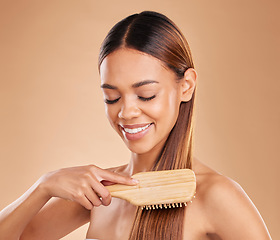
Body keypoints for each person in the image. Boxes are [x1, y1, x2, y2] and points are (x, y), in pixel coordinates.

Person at [0, 11, 271, 240]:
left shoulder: (216, 196)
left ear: (186, 86)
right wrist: (44, 186)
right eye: (112, 97)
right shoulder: (100, 194)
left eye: (146, 95)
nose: (127, 112)